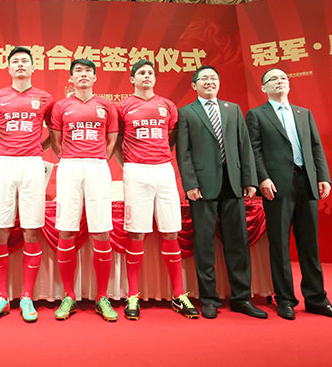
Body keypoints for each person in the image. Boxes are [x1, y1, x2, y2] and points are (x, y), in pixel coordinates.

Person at [246, 67, 332, 321]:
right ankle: (285, 300)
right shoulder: (256, 114)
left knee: (309, 245)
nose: (280, 81)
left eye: (283, 78)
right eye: (273, 79)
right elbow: (254, 150)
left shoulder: (303, 113)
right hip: (276, 186)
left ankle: (317, 299)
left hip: (306, 183)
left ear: (289, 84)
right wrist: (262, 178)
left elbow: (315, 146)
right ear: (264, 87)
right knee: (280, 245)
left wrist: (323, 176)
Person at [176, 65, 267, 319]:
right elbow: (183, 152)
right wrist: (190, 184)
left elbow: (244, 145)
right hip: (203, 187)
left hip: (234, 183)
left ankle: (241, 298)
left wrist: (249, 180)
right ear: (194, 85)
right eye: (204, 78)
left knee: (238, 242)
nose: (209, 81)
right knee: (204, 244)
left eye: (214, 78)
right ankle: (209, 298)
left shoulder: (233, 109)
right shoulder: (186, 113)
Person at [115, 59, 199, 320]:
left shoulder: (168, 106)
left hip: (163, 171)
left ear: (155, 78)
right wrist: (129, 164)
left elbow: (171, 138)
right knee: (137, 233)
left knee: (170, 230)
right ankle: (132, 295)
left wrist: (157, 159)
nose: (146, 76)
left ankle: (178, 295)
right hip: (135, 172)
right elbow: (116, 141)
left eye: (150, 72)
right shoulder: (122, 107)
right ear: (132, 79)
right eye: (141, 73)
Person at [0, 46, 53, 323]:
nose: (20, 64)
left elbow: (55, 132)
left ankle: (26, 296)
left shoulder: (45, 98)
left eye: (25, 61)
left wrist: (36, 149)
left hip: (32, 165)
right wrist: (3, 150)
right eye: (15, 61)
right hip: (3, 164)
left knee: (31, 228)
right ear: (9, 68)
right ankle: (1, 297)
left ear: (33, 67)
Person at [50, 59, 119, 321]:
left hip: (98, 166)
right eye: (78, 71)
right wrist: (73, 158)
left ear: (95, 77)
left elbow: (112, 140)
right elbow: (56, 142)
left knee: (101, 230)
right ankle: (69, 296)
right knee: (66, 229)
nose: (83, 75)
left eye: (88, 71)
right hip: (69, 166)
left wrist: (97, 159)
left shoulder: (107, 106)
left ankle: (102, 297)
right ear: (71, 78)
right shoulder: (61, 106)